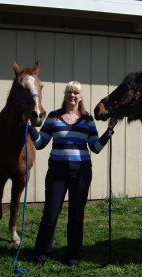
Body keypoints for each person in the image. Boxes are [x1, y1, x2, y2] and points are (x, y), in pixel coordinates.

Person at [27, 80, 117, 267]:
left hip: (81, 172)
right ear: (65, 95)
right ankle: (40, 256)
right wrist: (29, 126)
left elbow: (95, 147)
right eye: (69, 92)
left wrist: (109, 132)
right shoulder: (53, 117)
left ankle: (73, 257)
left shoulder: (88, 119)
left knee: (76, 216)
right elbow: (40, 143)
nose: (72, 96)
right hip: (57, 173)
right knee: (50, 214)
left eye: (76, 93)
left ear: (80, 96)